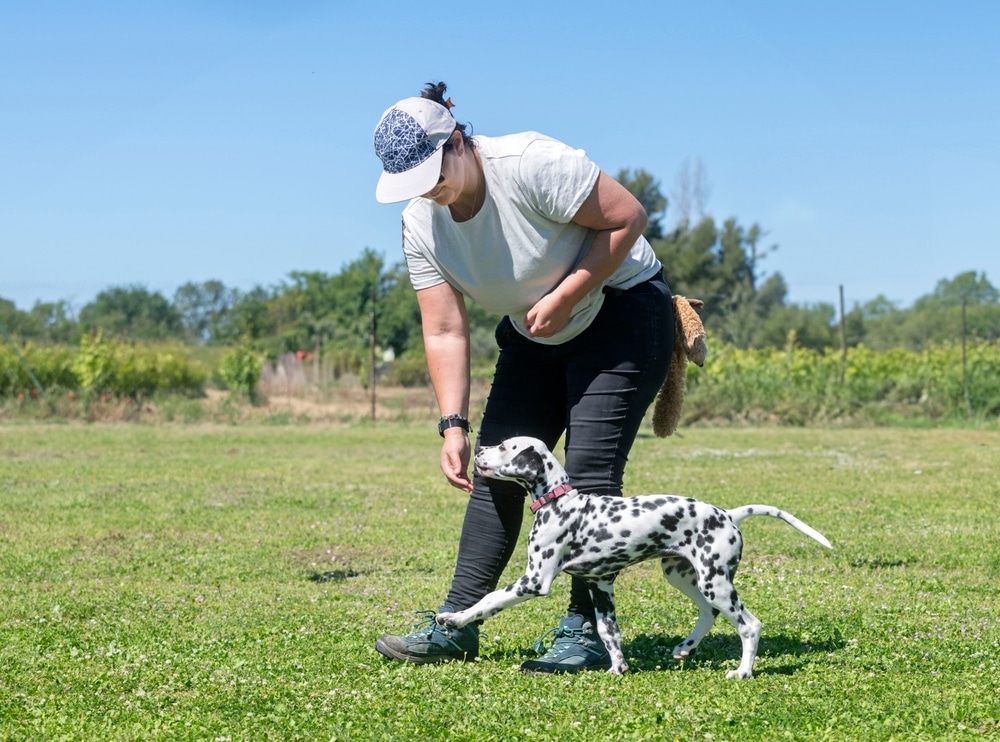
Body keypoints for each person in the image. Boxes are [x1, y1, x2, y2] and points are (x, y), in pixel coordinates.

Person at [371, 82, 675, 673]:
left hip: (622, 312)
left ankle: (586, 632)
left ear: (456, 141)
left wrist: (567, 293)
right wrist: (453, 424)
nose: (429, 190)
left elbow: (627, 216)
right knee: (497, 469)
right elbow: (445, 330)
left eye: (433, 172)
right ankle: (457, 623)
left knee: (587, 480)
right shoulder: (420, 225)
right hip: (535, 333)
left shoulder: (530, 163)